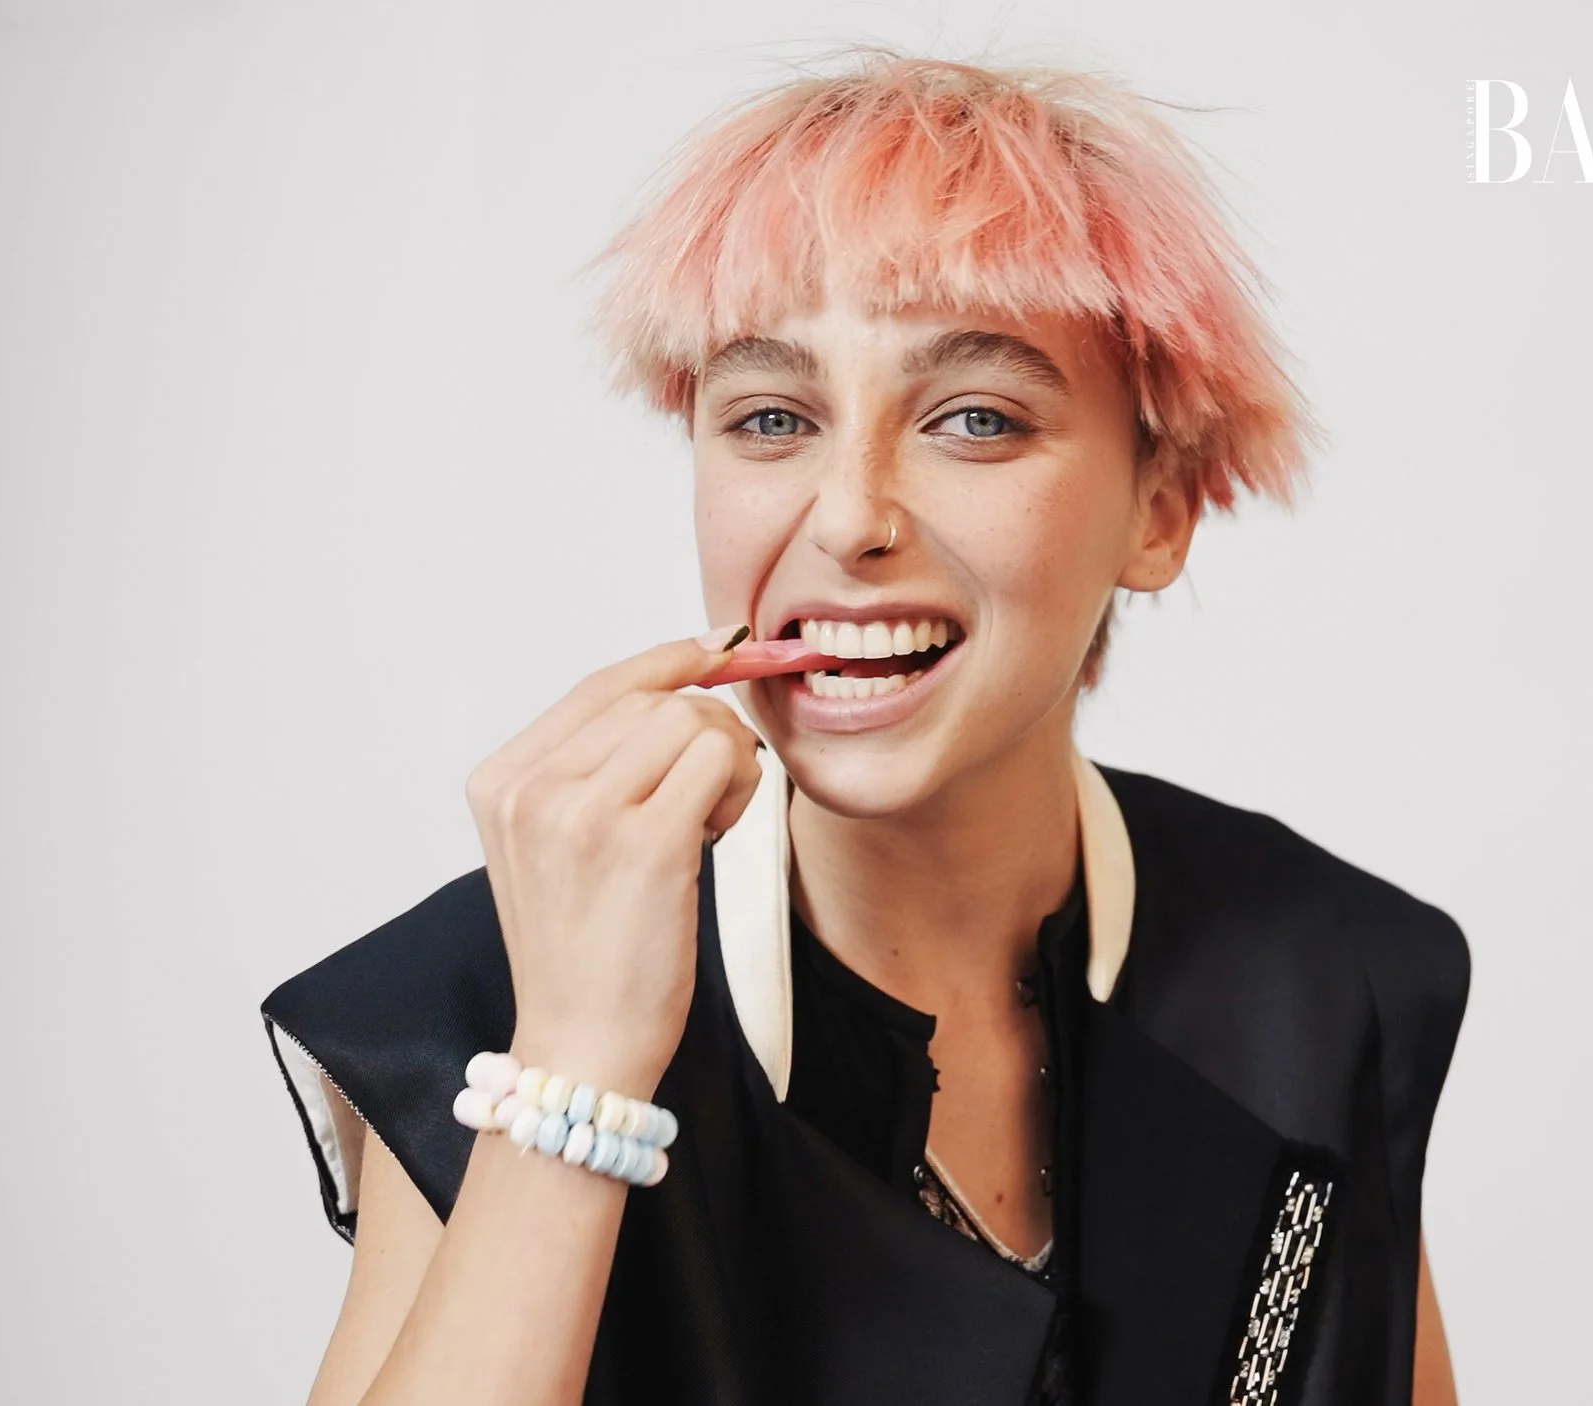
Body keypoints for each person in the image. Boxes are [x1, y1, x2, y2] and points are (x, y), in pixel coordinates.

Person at [262, 49, 1470, 1406]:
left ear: (1160, 509)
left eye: (975, 419)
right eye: (772, 418)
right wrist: (575, 1065)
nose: (848, 518)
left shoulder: (1325, 967)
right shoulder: (489, 991)